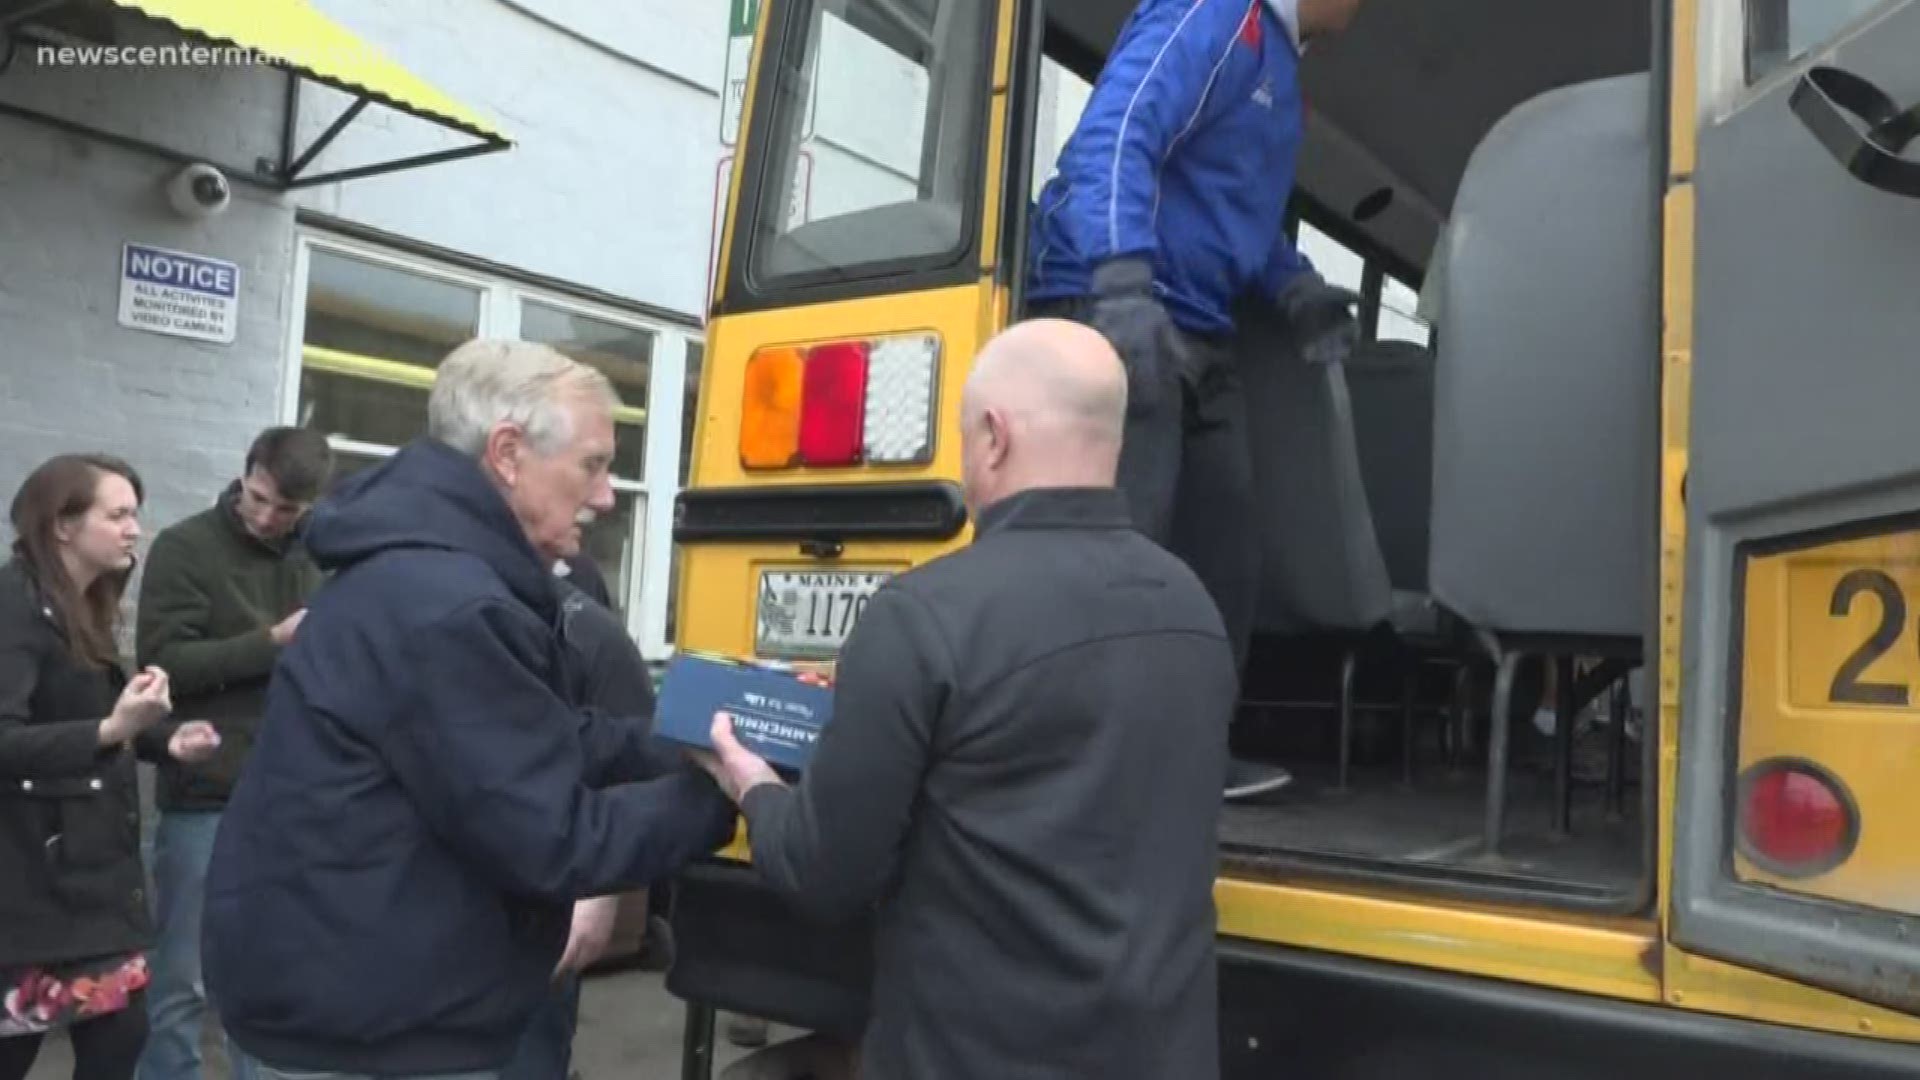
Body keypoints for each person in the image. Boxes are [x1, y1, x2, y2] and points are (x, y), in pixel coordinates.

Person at [699, 319, 1240, 1080]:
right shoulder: (1195, 608)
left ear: (993, 436)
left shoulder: (924, 615)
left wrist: (752, 785)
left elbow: (826, 875)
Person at [200, 340, 737, 1080]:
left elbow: (528, 744)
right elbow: (554, 839)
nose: (608, 496)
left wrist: (690, 740)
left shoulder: (424, 573)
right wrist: (727, 790)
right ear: (509, 454)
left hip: (342, 993)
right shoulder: (449, 606)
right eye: (593, 464)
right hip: (371, 1034)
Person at [1023, 0, 1367, 797]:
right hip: (1117, 302)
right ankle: (1089, 772)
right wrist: (1119, 289)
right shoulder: (1216, 14)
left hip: (1202, 327)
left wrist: (1295, 286)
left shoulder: (1283, 71)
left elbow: (1230, 216)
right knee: (1125, 551)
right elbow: (1117, 132)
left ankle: (1186, 754)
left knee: (1226, 553)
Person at [0, 454, 220, 1080]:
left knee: (120, 1041)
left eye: (135, 514)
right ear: (62, 526)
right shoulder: (13, 606)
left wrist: (165, 738)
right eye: (117, 514)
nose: (134, 530)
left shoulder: (85, 605)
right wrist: (112, 729)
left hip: (92, 888)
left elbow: (93, 719)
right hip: (30, 889)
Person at [134, 427, 333, 1080]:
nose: (268, 518)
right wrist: (272, 642)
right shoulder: (186, 547)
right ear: (244, 473)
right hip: (206, 794)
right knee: (181, 981)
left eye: (287, 510)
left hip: (292, 797)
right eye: (259, 498)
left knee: (270, 979)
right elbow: (163, 664)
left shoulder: (319, 557)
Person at [501, 555, 678, 1080]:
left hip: (538, 903)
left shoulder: (588, 631)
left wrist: (598, 889)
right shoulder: (433, 610)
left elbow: (634, 752)